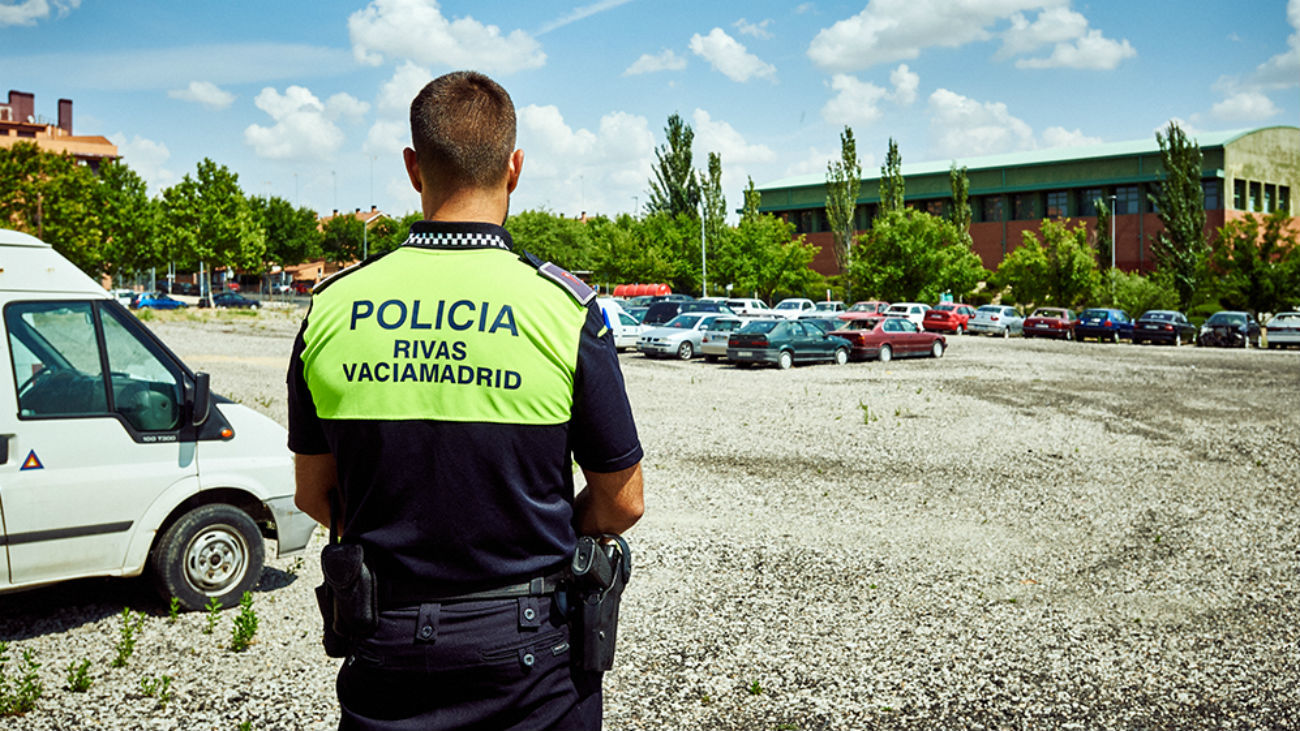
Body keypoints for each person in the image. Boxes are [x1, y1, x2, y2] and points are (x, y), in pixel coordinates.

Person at [287, 70, 644, 731]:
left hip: (384, 647)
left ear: (412, 167)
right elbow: (623, 500)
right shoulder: (565, 310)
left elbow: (315, 495)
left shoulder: (331, 309)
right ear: (514, 169)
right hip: (532, 654)